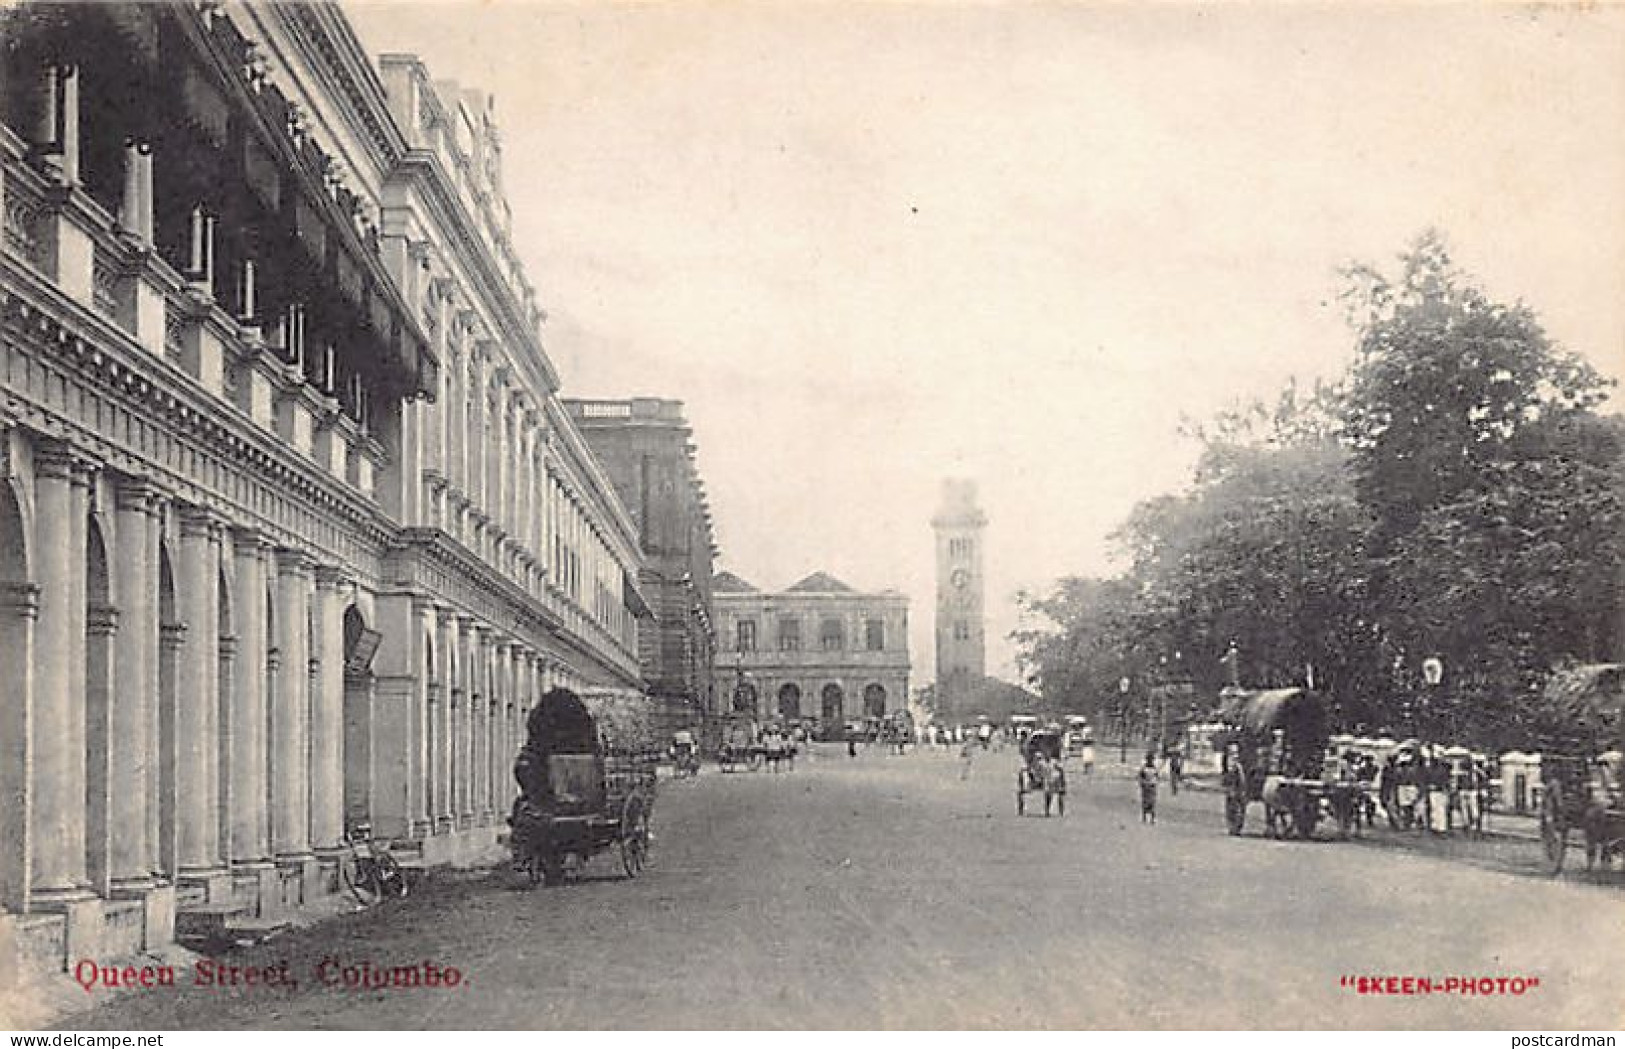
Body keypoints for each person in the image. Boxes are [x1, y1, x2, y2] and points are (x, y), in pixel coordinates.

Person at [1138, 753, 1158, 824]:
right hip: (1145, 787)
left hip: (1152, 787)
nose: (1150, 761)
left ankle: (1153, 818)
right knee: (1145, 802)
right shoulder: (1144, 768)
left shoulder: (1154, 768)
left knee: (1152, 803)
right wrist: (1142, 783)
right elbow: (1140, 777)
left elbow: (1156, 777)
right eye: (1149, 759)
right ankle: (1144, 817)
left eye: (1151, 760)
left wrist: (1154, 784)